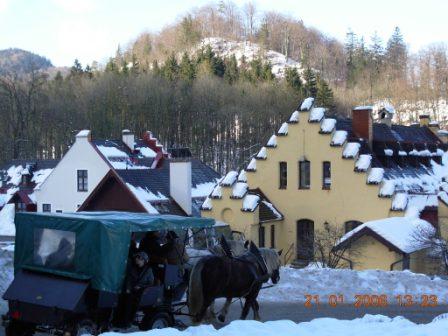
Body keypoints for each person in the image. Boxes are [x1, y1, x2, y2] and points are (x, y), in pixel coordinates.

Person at [119, 252, 154, 328]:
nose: (136, 260)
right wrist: (128, 288)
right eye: (136, 258)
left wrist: (141, 287)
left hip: (142, 292)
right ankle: (120, 320)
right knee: (123, 298)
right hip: (132, 290)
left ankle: (128, 321)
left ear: (143, 260)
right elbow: (129, 280)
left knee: (131, 302)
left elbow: (151, 283)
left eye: (138, 258)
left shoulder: (148, 270)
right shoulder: (133, 268)